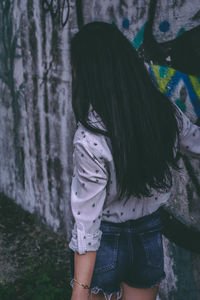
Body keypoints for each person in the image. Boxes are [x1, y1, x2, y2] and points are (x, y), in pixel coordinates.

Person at [68, 21, 200, 300]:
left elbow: (87, 224)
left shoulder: (91, 137)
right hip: (148, 236)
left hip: (106, 241)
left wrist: (79, 293)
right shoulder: (165, 115)